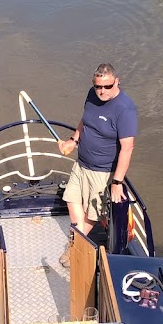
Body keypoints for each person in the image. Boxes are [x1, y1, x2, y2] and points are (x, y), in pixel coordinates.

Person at [57, 63, 137, 266]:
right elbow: (84, 121)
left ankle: (74, 245)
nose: (102, 91)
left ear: (117, 81)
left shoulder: (125, 109)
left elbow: (127, 148)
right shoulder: (92, 95)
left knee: (93, 215)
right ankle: (77, 236)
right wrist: (73, 140)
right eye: (98, 86)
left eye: (107, 86)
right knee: (71, 198)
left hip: (101, 171)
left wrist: (117, 182)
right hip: (81, 163)